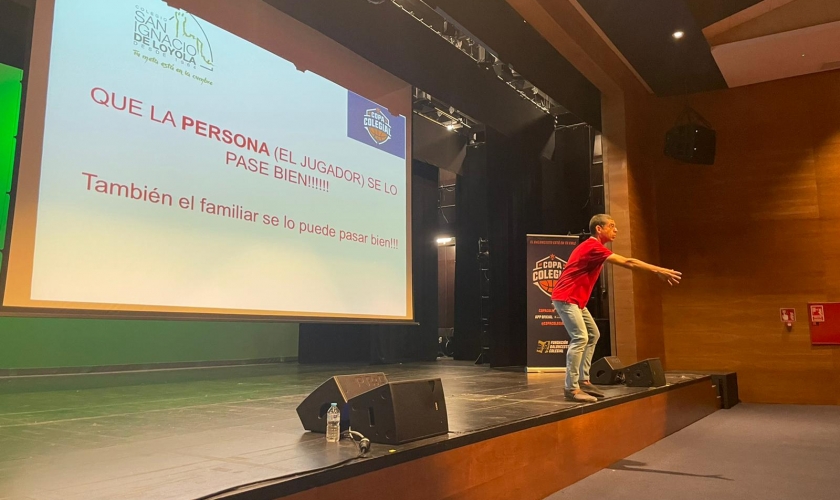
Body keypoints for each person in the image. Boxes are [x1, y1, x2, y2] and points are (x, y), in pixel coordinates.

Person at [551, 214, 681, 402]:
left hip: (577, 300)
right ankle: (571, 389)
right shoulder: (592, 246)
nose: (616, 230)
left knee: (593, 334)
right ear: (599, 229)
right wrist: (659, 270)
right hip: (566, 298)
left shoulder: (595, 247)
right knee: (580, 337)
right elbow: (629, 262)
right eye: (611, 226)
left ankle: (583, 380)